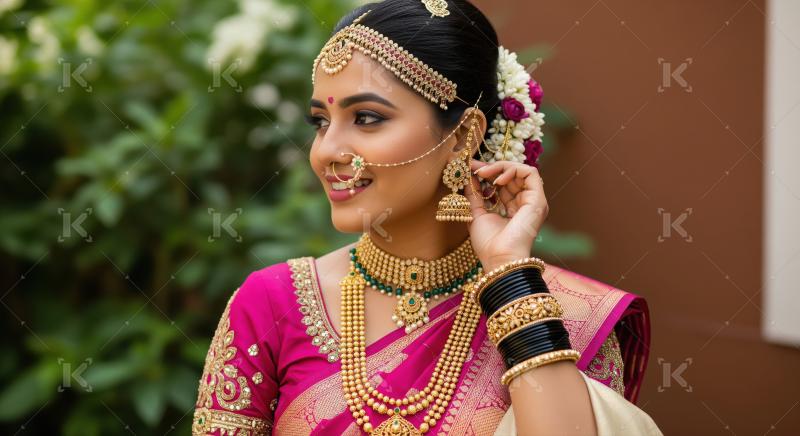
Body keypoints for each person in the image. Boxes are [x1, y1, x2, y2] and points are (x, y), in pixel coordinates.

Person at [193, 1, 663, 434]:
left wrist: (508, 273)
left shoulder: (573, 318)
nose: (327, 152)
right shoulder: (271, 305)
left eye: (367, 118)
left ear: (462, 137)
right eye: (320, 122)